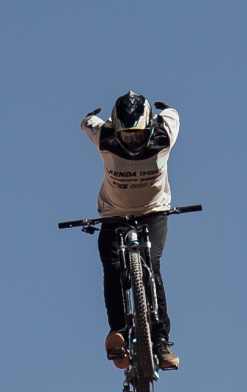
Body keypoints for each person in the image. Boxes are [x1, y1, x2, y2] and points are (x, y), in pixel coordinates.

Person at [81, 91, 181, 370]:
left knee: (153, 264)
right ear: (115, 128)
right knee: (112, 266)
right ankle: (119, 332)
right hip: (114, 212)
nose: (133, 142)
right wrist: (91, 115)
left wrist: (167, 108)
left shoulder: (164, 134)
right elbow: (87, 122)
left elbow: (173, 114)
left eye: (137, 135)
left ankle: (161, 343)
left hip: (154, 211)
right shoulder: (105, 137)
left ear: (149, 125)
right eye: (126, 136)